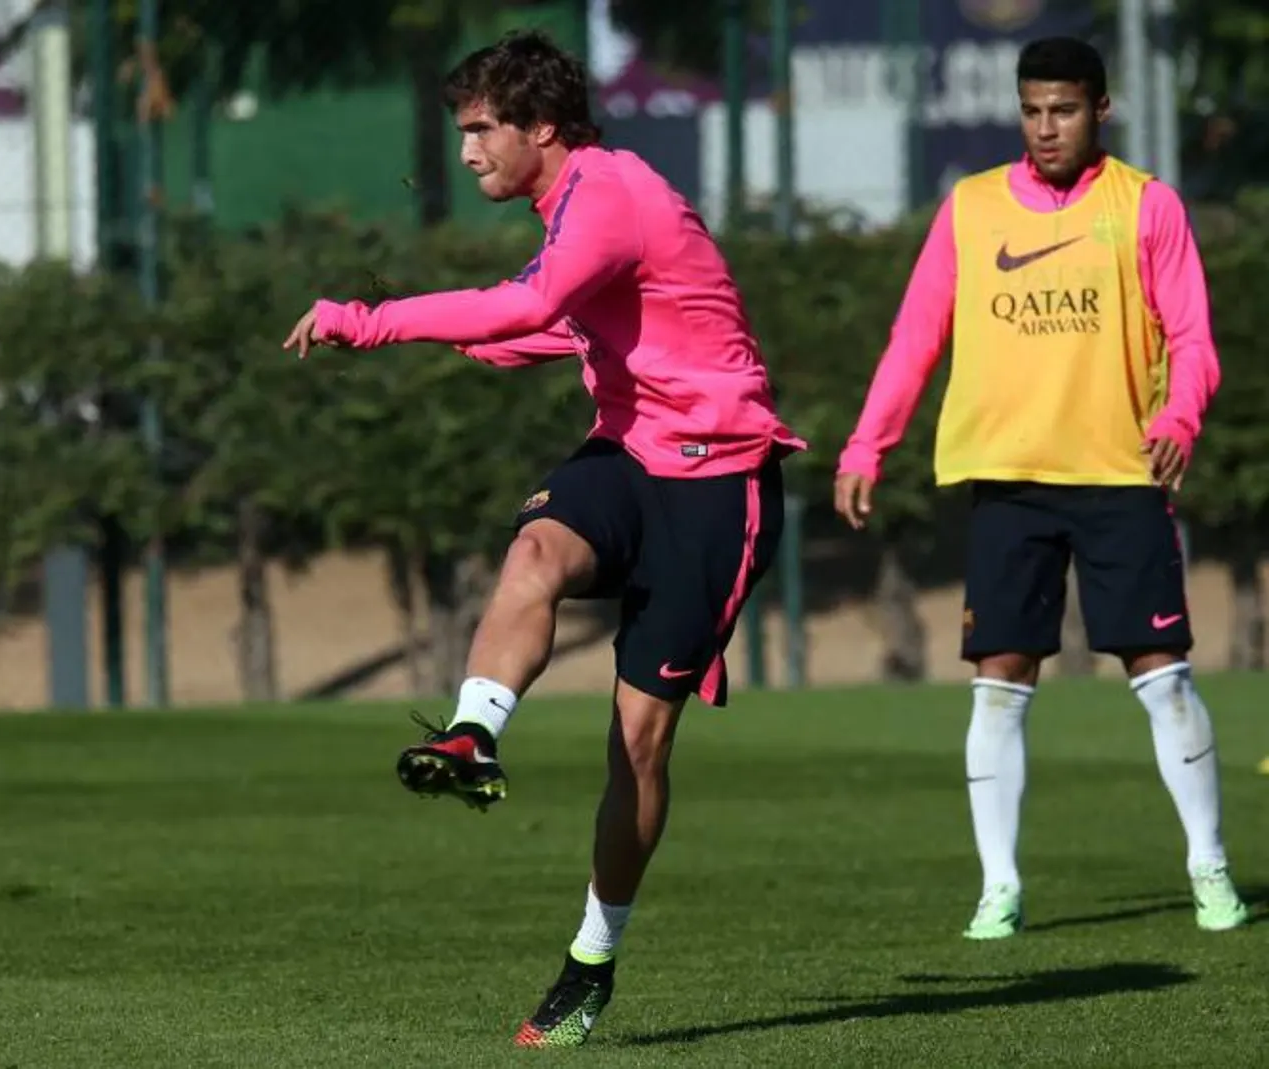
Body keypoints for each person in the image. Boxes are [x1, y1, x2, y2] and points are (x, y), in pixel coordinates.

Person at [282, 30, 804, 1047]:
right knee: (533, 552)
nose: (468, 150)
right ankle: (474, 731)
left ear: (542, 128)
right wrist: (485, 339)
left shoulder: (607, 193)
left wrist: (369, 318)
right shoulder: (571, 204)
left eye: (481, 131)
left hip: (718, 483)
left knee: (637, 743)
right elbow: (554, 323)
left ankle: (591, 957)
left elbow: (531, 301)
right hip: (627, 453)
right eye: (461, 131)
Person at [833, 36, 1248, 939]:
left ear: (1102, 110)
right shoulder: (973, 208)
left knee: (1163, 677)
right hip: (1008, 480)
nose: (1046, 127)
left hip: (1116, 476)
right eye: (1032, 110)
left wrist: (1178, 418)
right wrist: (867, 444)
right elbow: (915, 337)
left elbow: (1195, 339)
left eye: (1064, 110)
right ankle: (1000, 887)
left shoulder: (1147, 205)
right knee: (999, 680)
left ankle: (1209, 868)